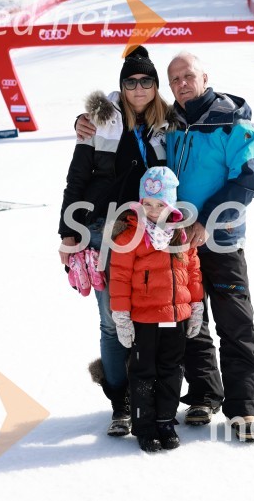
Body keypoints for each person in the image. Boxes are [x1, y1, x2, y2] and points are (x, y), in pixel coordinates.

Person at [75, 51, 254, 442]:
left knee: (234, 322)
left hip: (221, 238)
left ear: (204, 76)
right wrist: (84, 121)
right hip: (175, 240)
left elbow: (248, 180)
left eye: (188, 76)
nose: (181, 83)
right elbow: (123, 112)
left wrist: (205, 221)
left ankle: (242, 408)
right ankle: (202, 394)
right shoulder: (171, 123)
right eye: (175, 77)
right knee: (189, 321)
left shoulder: (232, 121)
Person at [59, 45, 170, 437]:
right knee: (111, 320)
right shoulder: (100, 121)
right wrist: (67, 233)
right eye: (131, 81)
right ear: (121, 85)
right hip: (102, 228)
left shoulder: (166, 125)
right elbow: (77, 178)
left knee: (147, 315)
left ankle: (149, 393)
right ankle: (119, 401)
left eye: (146, 81)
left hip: (150, 231)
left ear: (156, 86)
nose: (138, 88)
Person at [109, 166, 205, 452]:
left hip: (177, 318)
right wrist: (122, 316)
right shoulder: (131, 235)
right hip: (144, 319)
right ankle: (144, 425)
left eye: (159, 204)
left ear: (170, 204)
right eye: (147, 203)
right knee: (143, 372)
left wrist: (196, 305)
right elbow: (119, 277)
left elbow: (194, 272)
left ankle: (165, 420)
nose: (152, 210)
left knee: (171, 371)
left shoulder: (181, 235)